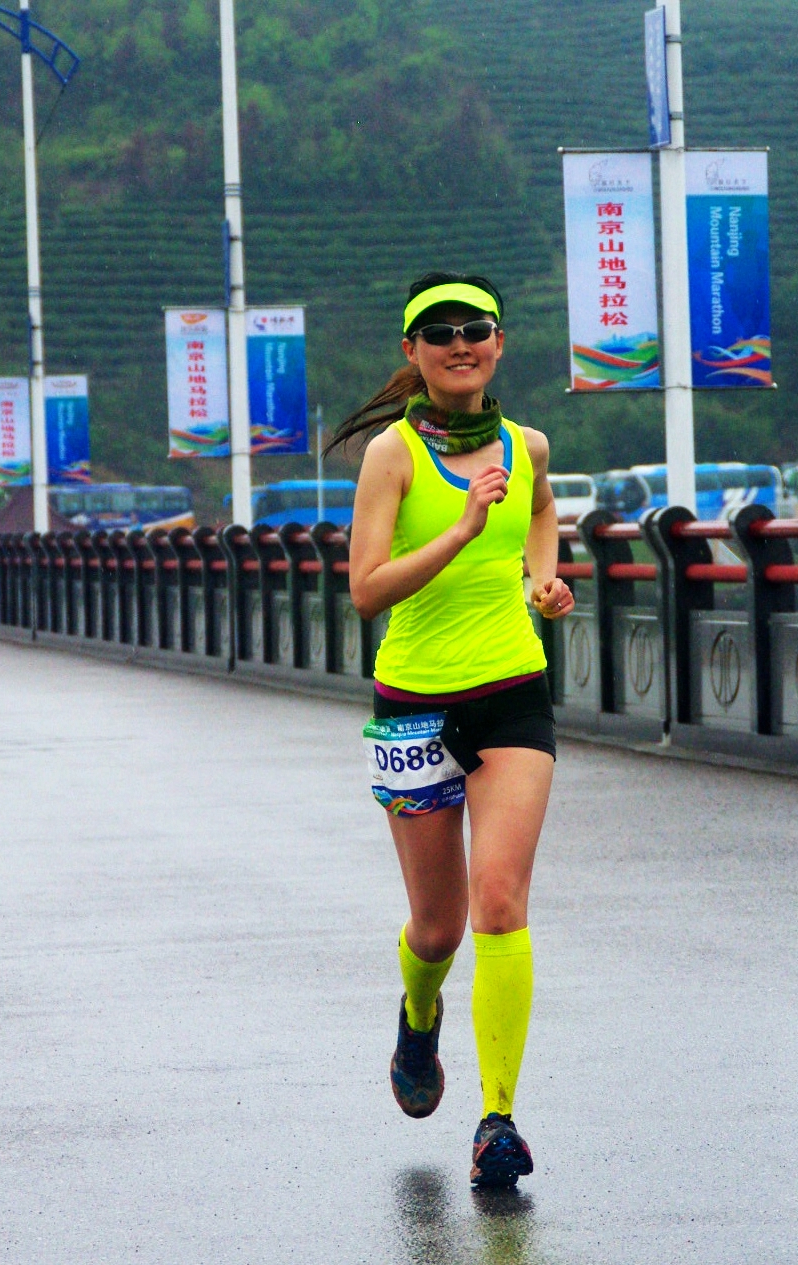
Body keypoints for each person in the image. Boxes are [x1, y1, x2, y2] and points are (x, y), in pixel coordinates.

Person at [330, 271, 574, 1189]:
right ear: (413, 352)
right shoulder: (390, 456)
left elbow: (540, 511)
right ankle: (418, 1015)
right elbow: (366, 590)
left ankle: (497, 1118)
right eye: (438, 333)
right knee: (436, 929)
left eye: (474, 328)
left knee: (498, 902)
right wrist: (463, 527)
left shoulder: (528, 446)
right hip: (414, 702)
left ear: (499, 342)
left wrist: (538, 580)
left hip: (512, 691)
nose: (458, 344)